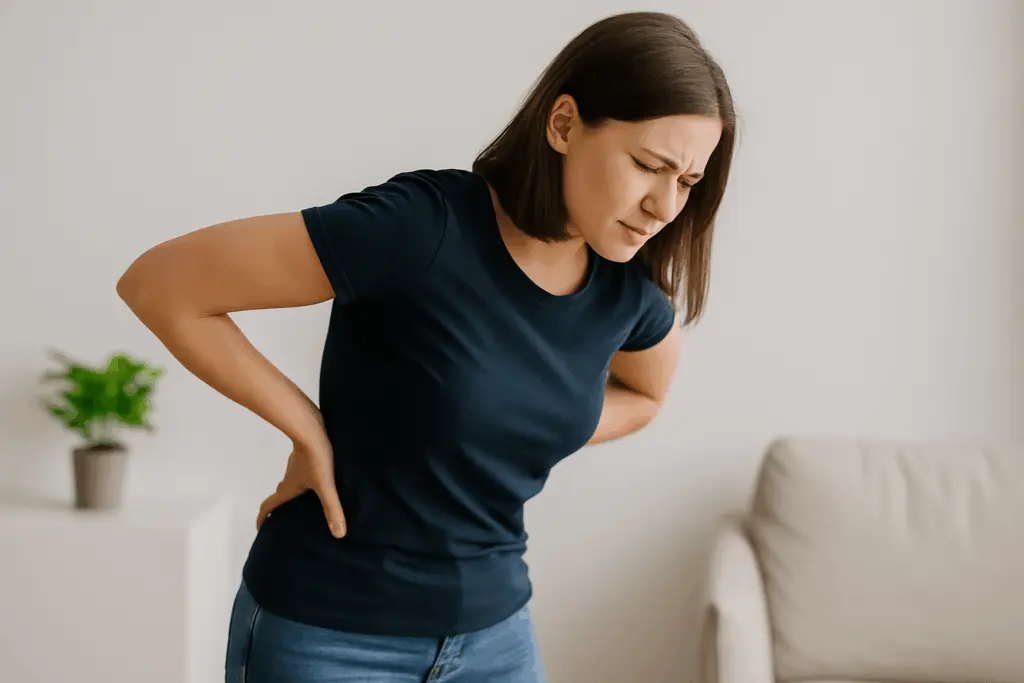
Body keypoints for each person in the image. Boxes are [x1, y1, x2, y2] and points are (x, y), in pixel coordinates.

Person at [116, 10, 735, 683]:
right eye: (650, 165)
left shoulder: (628, 294)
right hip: (329, 633)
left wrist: (516, 422)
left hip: (497, 640)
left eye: (687, 182)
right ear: (563, 125)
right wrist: (307, 429)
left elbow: (645, 396)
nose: (666, 206)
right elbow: (162, 285)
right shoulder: (423, 228)